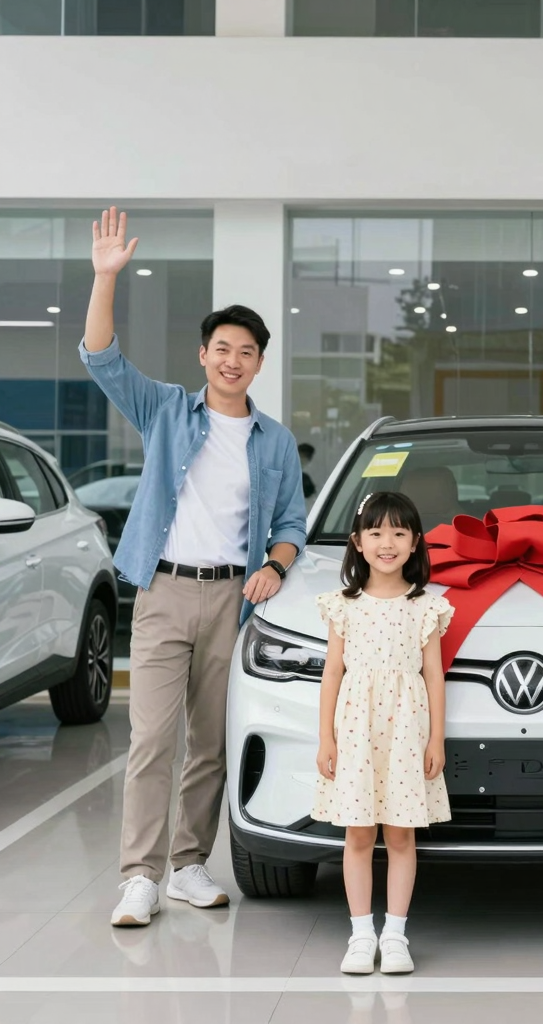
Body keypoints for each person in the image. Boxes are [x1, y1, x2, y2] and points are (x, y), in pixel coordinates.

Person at [79, 207, 307, 928]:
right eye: (221, 348)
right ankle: (138, 876)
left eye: (246, 350)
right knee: (152, 739)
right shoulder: (167, 412)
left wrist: (275, 565)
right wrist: (105, 278)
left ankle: (186, 866)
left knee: (209, 744)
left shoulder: (274, 442)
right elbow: (101, 357)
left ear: (260, 363)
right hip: (166, 592)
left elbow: (292, 526)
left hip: (233, 602)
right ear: (203, 356)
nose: (233, 359)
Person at [313, 490, 452, 975]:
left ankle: (395, 934)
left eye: (398, 532)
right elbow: (333, 673)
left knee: (401, 834)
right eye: (376, 532)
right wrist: (326, 738)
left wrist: (436, 739)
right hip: (355, 730)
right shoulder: (343, 605)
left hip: (406, 733)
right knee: (357, 832)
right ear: (357, 542)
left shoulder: (426, 607)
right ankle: (360, 934)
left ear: (415, 543)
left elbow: (434, 675)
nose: (386, 542)